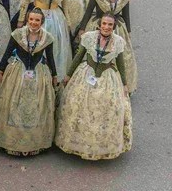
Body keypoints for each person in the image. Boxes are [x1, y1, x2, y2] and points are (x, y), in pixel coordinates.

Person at [56, 14, 132, 161]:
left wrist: (124, 84)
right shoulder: (89, 37)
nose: (106, 27)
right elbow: (79, 57)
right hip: (86, 74)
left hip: (107, 78)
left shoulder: (118, 42)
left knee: (108, 108)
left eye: (110, 25)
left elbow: (121, 65)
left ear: (113, 27)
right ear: (99, 24)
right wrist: (68, 75)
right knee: (78, 105)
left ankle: (101, 145)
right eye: (104, 24)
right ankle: (77, 143)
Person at [0, 6, 59, 156]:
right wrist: (0, 70)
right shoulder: (17, 34)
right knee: (12, 103)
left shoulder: (47, 38)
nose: (34, 22)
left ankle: (34, 142)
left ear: (41, 22)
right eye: (31, 19)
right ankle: (10, 140)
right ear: (27, 20)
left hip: (38, 74)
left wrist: (54, 75)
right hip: (17, 72)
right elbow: (7, 52)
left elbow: (51, 58)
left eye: (37, 20)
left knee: (36, 105)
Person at [77, 0, 137, 94]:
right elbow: (88, 12)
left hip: (117, 28)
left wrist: (129, 32)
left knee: (119, 56)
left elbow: (126, 16)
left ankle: (116, 83)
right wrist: (82, 28)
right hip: (99, 24)